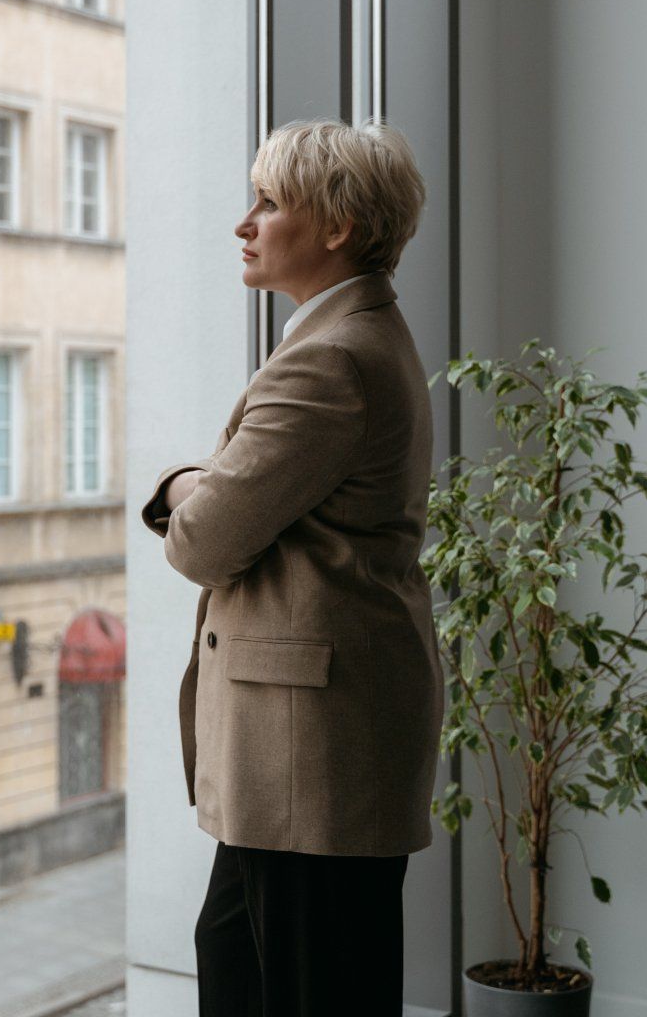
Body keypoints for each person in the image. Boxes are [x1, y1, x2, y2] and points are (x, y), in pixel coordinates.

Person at [140, 118, 441, 1017]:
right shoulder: (356, 336)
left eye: (269, 203)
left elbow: (202, 543)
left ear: (339, 225)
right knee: (242, 961)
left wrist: (187, 480)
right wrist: (213, 484)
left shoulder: (329, 361)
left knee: (307, 990)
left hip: (310, 749)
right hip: (306, 744)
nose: (246, 222)